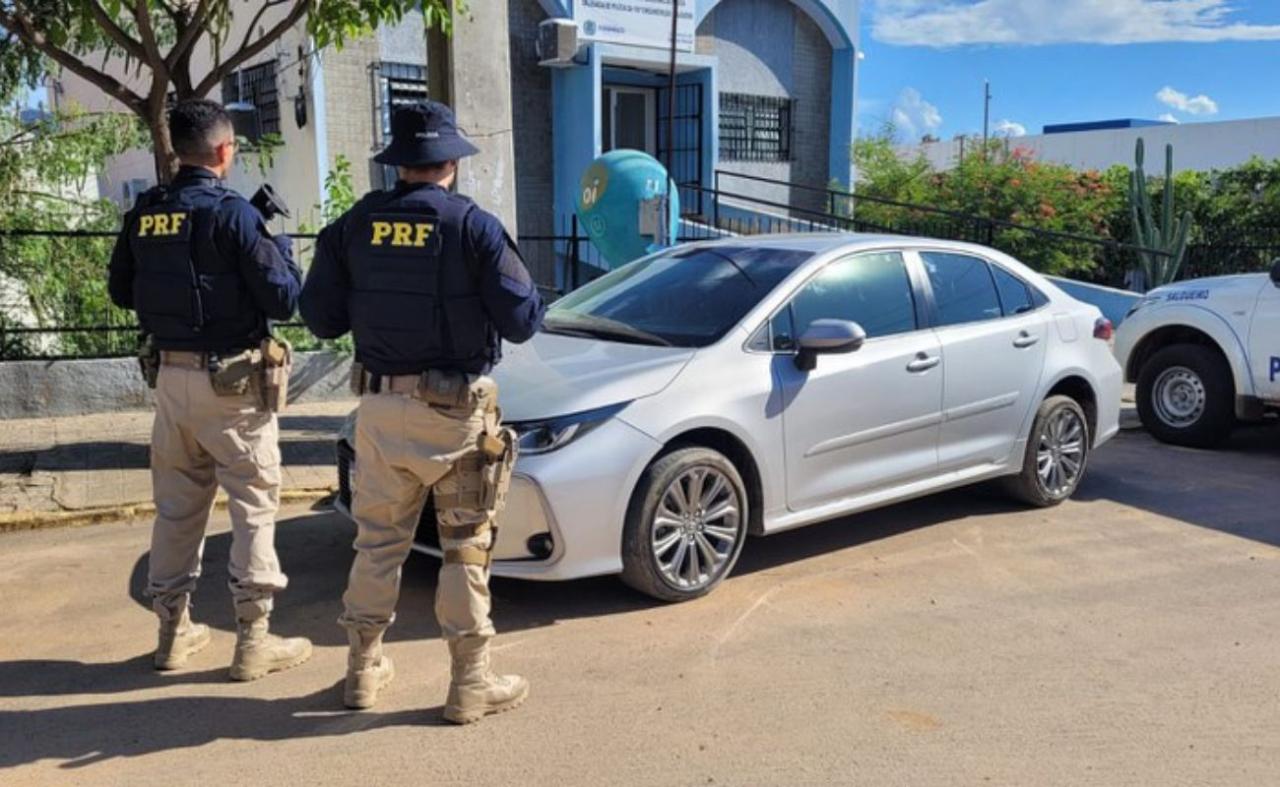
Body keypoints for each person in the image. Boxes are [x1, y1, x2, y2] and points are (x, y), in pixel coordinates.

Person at [300, 100, 544, 723]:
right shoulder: (473, 227)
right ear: (451, 165)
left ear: (399, 166)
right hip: (455, 415)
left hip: (379, 409)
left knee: (377, 544)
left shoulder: (354, 226)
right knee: (464, 548)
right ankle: (469, 683)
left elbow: (320, 316)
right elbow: (523, 320)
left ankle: (361, 671)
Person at [108, 99, 312, 681]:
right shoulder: (235, 216)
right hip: (235, 386)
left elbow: (122, 291)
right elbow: (283, 299)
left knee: (176, 511)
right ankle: (254, 641)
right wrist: (283, 250)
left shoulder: (146, 212)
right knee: (252, 504)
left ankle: (173, 635)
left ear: (176, 151)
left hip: (170, 381)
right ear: (226, 151)